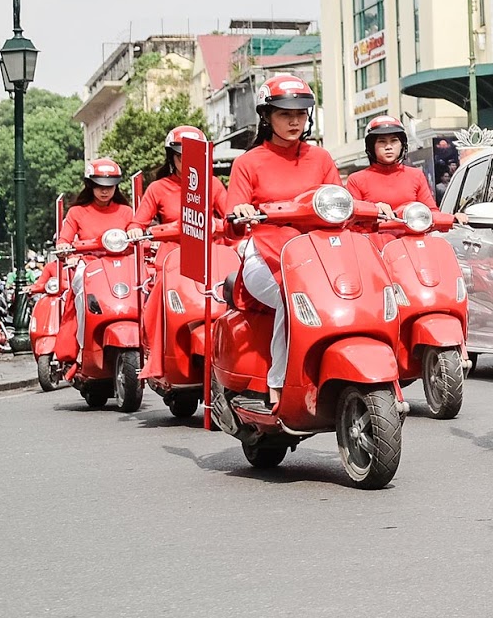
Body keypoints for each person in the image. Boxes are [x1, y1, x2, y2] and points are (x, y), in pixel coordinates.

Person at [225, 76, 343, 397]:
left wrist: (375, 207)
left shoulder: (321, 158)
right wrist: (241, 211)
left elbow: (339, 201)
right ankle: (279, 381)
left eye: (301, 113)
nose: (294, 121)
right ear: (266, 116)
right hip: (264, 255)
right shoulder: (247, 163)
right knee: (291, 298)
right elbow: (232, 211)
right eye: (284, 113)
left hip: (316, 256)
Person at [58, 159, 138, 368]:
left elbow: (135, 231)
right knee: (81, 290)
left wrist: (140, 236)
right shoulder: (77, 212)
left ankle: (147, 342)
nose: (105, 191)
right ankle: (84, 346)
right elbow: (64, 239)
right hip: (90, 264)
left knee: (145, 286)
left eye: (109, 186)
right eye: (100, 186)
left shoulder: (126, 211)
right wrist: (64, 247)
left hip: (122, 265)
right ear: (90, 185)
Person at [133, 126, 224, 232]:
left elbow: (232, 220)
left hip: (208, 247)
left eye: (192, 155)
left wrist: (213, 224)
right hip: (171, 247)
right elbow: (136, 224)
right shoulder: (157, 188)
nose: (187, 160)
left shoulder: (213, 183)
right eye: (180, 155)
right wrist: (135, 230)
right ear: (171, 157)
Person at [346, 116, 436, 215]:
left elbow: (432, 213)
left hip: (411, 230)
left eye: (394, 141)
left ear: (402, 145)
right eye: (382, 141)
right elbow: (350, 216)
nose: (388, 147)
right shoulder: (356, 180)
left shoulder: (416, 175)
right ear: (371, 147)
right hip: (371, 230)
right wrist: (373, 209)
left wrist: (453, 218)